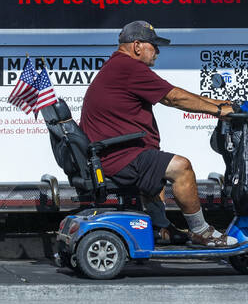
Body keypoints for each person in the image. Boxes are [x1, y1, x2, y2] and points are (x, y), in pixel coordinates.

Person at [80, 20, 238, 248]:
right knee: (181, 167)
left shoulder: (118, 67)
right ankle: (202, 232)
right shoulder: (128, 68)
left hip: (116, 155)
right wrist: (217, 110)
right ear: (137, 46)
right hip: (119, 159)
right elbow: (173, 97)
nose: (158, 52)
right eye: (153, 45)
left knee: (155, 163)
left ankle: (159, 227)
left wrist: (222, 104)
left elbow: (172, 95)